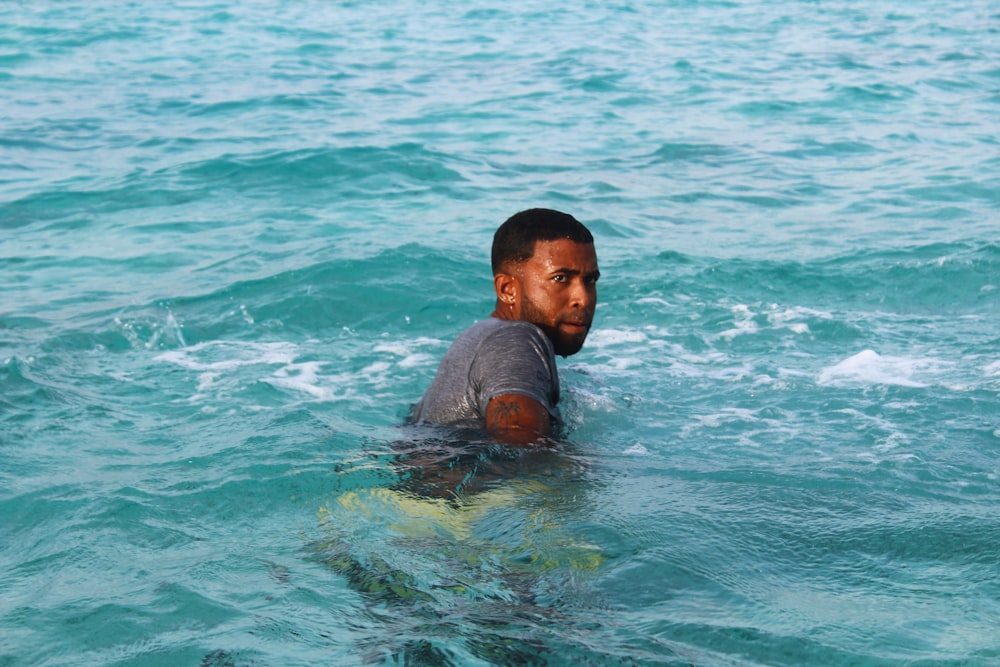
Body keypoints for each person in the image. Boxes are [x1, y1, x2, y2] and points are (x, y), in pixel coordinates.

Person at [410, 208, 600, 446]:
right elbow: (520, 459)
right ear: (507, 290)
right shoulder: (517, 341)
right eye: (560, 278)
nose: (582, 298)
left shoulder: (481, 337)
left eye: (590, 280)